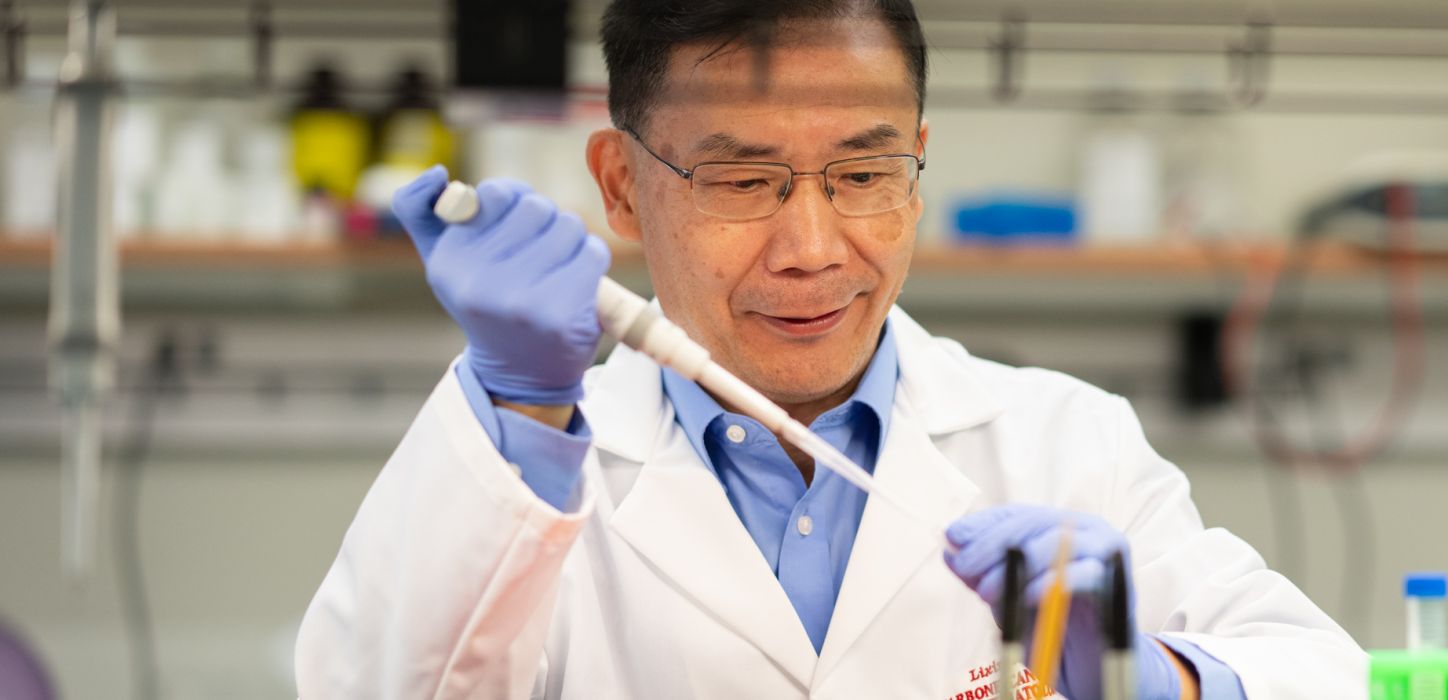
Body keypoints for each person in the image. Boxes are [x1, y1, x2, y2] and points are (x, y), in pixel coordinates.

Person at [294, 1, 1366, 697]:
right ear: (622, 186)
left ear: (919, 164)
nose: (812, 249)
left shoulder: (1061, 442)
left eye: (863, 175)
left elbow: (1328, 675)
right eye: (744, 180)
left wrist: (1154, 681)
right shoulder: (519, 468)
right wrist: (519, 410)